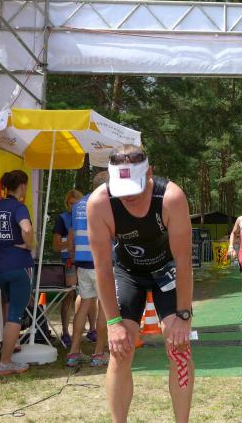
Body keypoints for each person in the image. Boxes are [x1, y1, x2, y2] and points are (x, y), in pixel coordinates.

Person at [88, 146, 194, 423]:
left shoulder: (171, 197)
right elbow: (102, 267)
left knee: (180, 348)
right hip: (127, 273)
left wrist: (183, 316)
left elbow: (183, 260)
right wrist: (113, 323)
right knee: (120, 349)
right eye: (122, 190)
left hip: (166, 270)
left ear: (149, 173)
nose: (129, 197)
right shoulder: (99, 203)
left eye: (134, 188)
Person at [0, 170, 33, 377]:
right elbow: (27, 229)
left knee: (8, 305)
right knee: (16, 314)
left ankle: (11, 345)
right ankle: (5, 363)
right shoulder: (19, 207)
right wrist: (28, 245)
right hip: (18, 267)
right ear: (22, 185)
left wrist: (0, 250)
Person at [66, 172, 110, 367]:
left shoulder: (77, 205)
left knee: (84, 303)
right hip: (100, 261)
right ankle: (98, 353)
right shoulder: (106, 202)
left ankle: (73, 352)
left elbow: (72, 235)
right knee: (105, 306)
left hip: (82, 260)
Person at [53, 189, 96, 347]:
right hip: (69, 262)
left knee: (91, 297)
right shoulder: (62, 219)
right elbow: (56, 245)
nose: (73, 206)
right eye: (71, 204)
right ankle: (65, 332)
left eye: (76, 203)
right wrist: (70, 244)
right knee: (69, 295)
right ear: (67, 204)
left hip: (86, 262)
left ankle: (92, 330)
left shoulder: (89, 214)